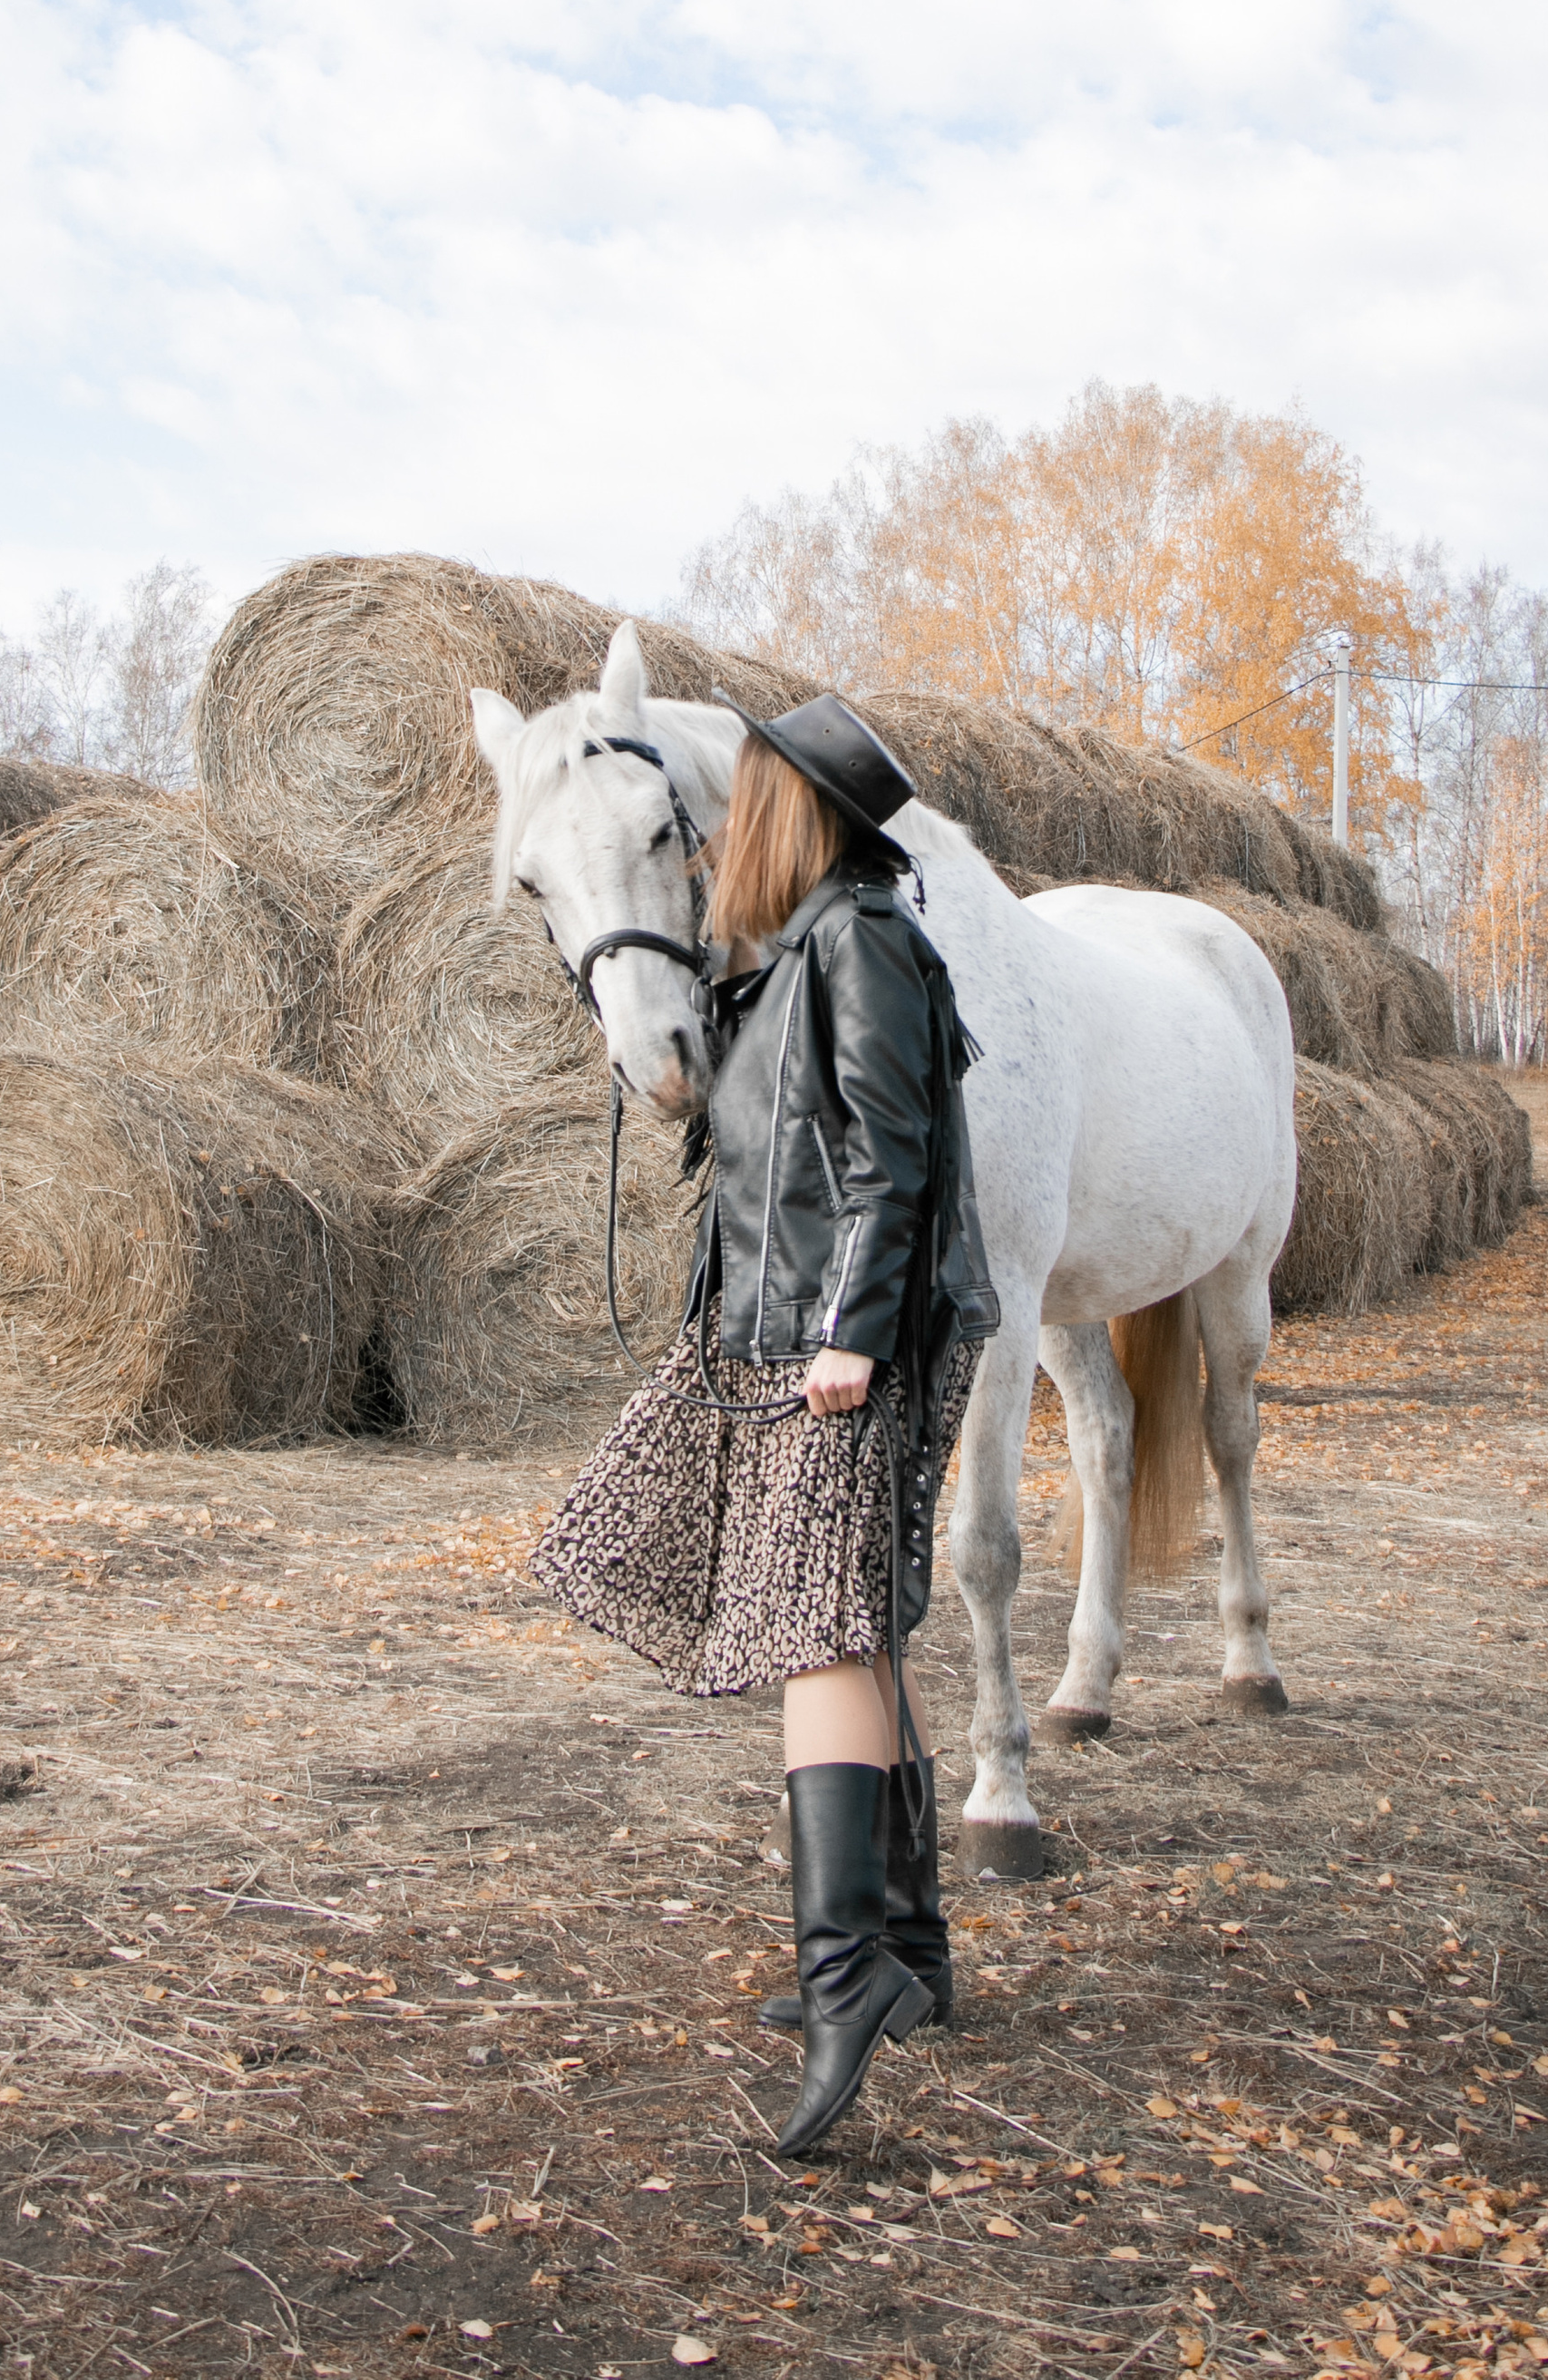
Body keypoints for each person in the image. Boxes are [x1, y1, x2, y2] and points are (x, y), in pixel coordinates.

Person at [532, 692, 998, 2155]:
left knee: (811, 1630)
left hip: (833, 1346)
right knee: (844, 1623)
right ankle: (906, 1955)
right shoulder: (795, 952)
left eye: (751, 806)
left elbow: (892, 1162)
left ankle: (843, 1978)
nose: (728, 829)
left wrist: (852, 1340)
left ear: (803, 814)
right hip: (775, 1333)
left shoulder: (862, 943)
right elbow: (747, 1124)